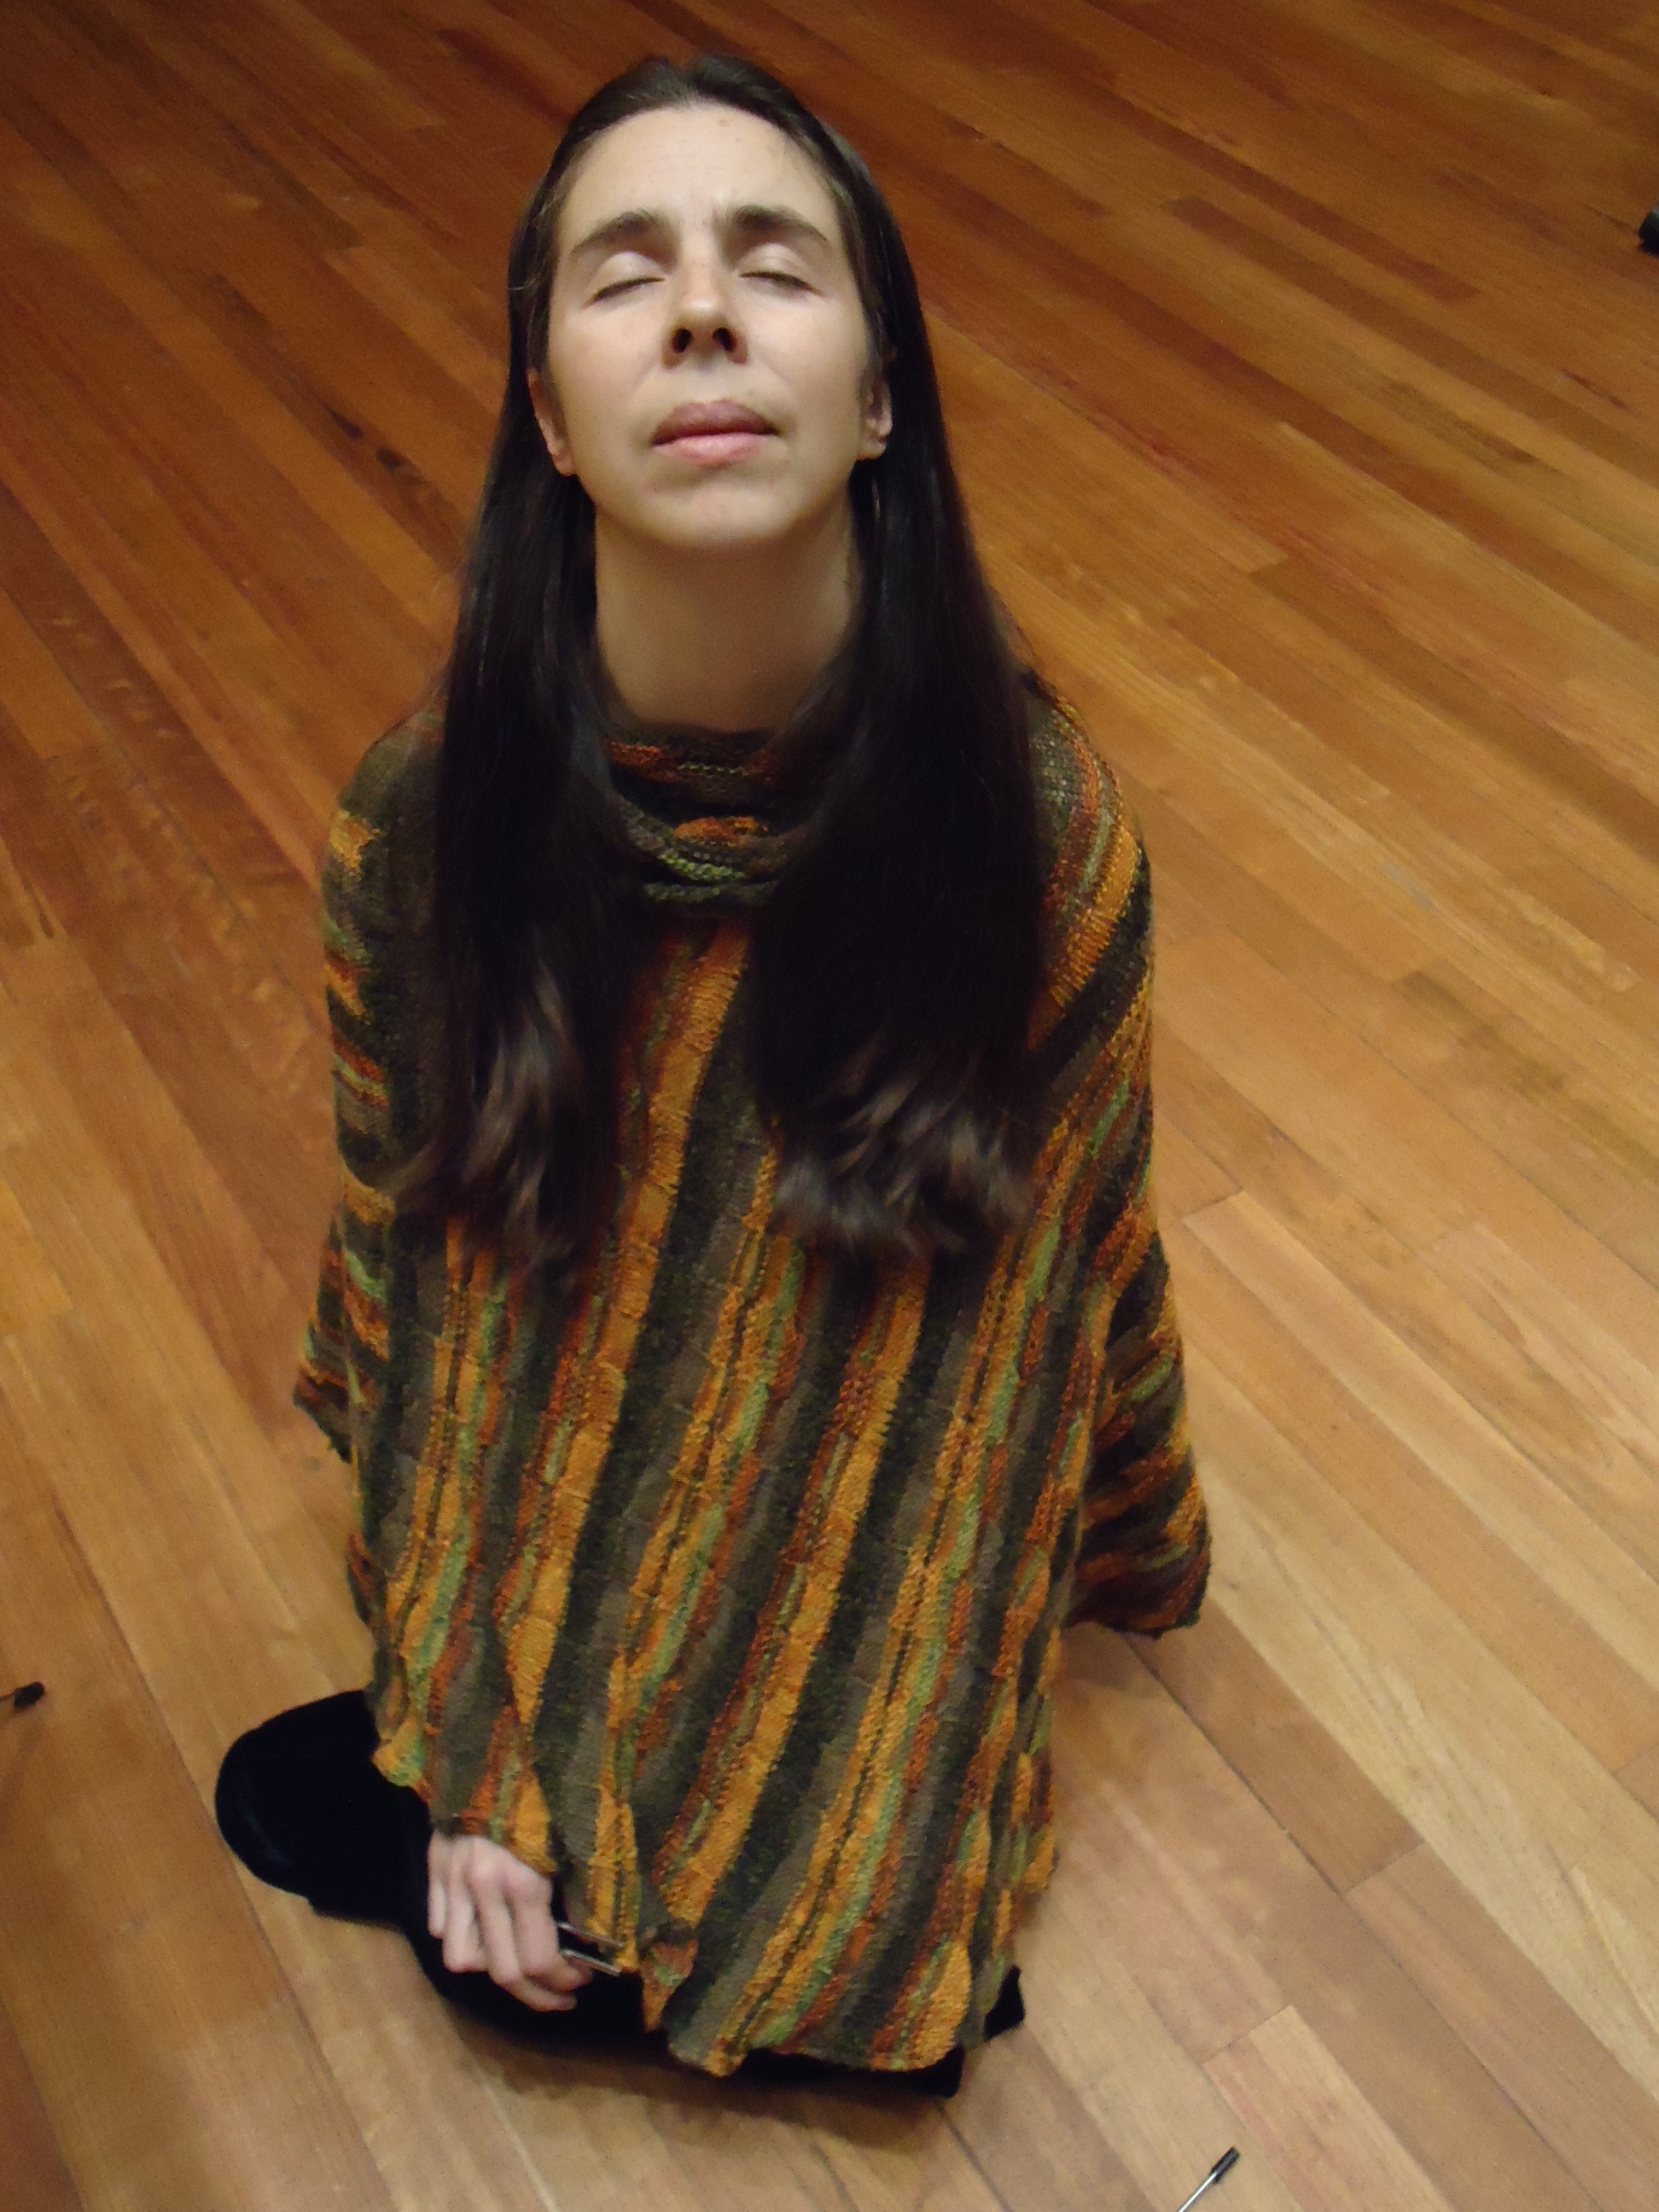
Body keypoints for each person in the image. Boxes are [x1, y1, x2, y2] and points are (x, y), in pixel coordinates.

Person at [216, 51, 1209, 2098]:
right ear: (549, 418)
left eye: (774, 263)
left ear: (878, 394)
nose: (698, 312)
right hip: (551, 1518)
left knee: (848, 1952)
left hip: (880, 1548)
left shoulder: (1044, 843)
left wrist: (852, 1791)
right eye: (623, 273)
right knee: (508, 1900)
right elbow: (439, 1307)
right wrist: (473, 1736)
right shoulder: (419, 832)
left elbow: (999, 1372)